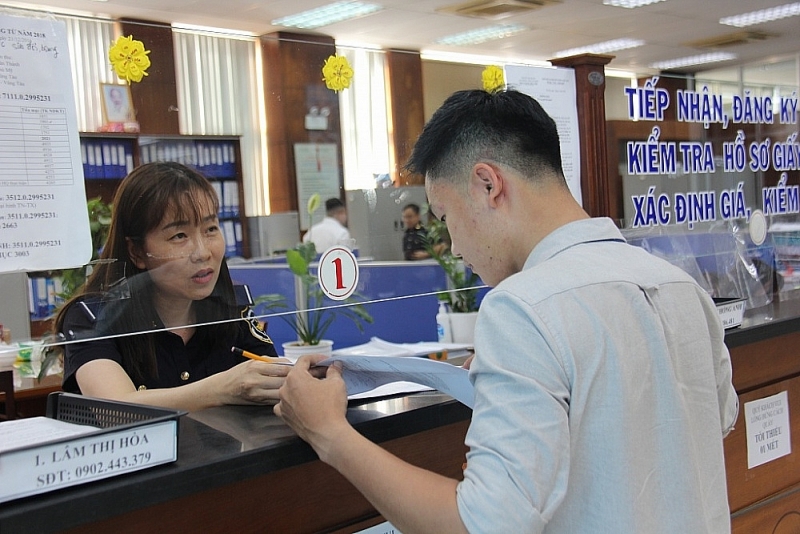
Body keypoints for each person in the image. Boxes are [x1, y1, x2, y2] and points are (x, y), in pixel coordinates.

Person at [275, 89, 739, 533]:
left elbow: (481, 524)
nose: (454, 246)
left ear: (487, 184)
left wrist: (330, 434)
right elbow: (700, 423)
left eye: (446, 215)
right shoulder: (681, 288)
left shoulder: (522, 309)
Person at [55, 162, 290, 412]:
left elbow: (273, 379)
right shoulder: (93, 316)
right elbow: (115, 407)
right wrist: (222, 388)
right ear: (137, 251)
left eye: (211, 229)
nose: (202, 252)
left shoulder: (231, 309)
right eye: (179, 236)